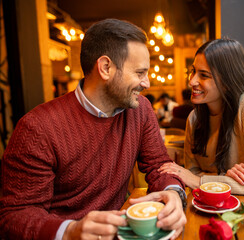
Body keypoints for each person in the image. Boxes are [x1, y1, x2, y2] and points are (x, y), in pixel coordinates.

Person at [0, 19, 186, 240]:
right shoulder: (37, 128)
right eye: (139, 72)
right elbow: (13, 216)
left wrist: (173, 193)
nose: (146, 83)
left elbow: (158, 165)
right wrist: (70, 231)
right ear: (105, 68)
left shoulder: (140, 109)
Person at [159, 38, 244, 195]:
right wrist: (225, 178)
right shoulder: (194, 118)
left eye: (203, 75)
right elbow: (191, 172)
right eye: (193, 71)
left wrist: (201, 181)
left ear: (227, 81)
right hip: (210, 203)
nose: (192, 81)